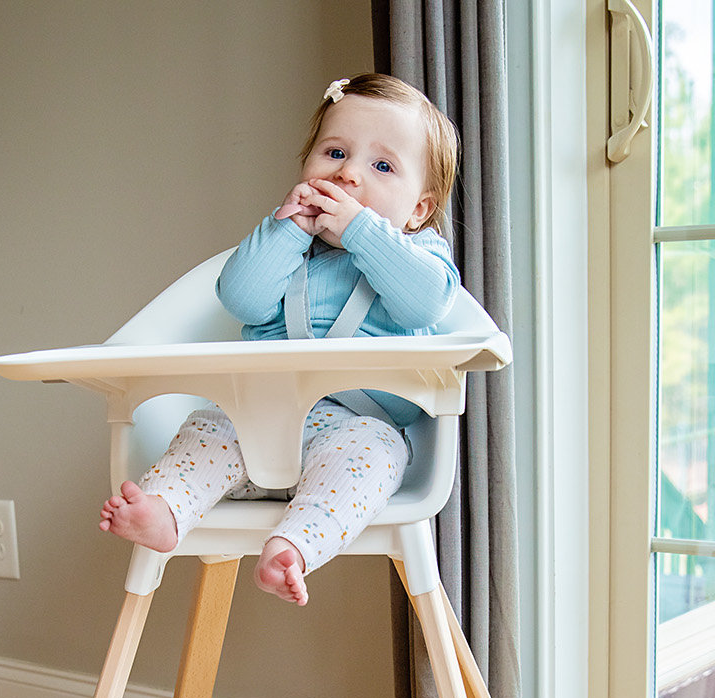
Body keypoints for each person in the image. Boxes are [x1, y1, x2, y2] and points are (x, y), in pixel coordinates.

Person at [100, 73, 461, 605]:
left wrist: (361, 230)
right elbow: (241, 298)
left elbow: (425, 303)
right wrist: (288, 229)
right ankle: (166, 509)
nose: (348, 174)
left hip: (357, 430)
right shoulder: (287, 246)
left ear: (418, 210)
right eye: (335, 153)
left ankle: (293, 547)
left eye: (382, 167)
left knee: (377, 454)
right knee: (209, 426)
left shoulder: (419, 254)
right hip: (257, 427)